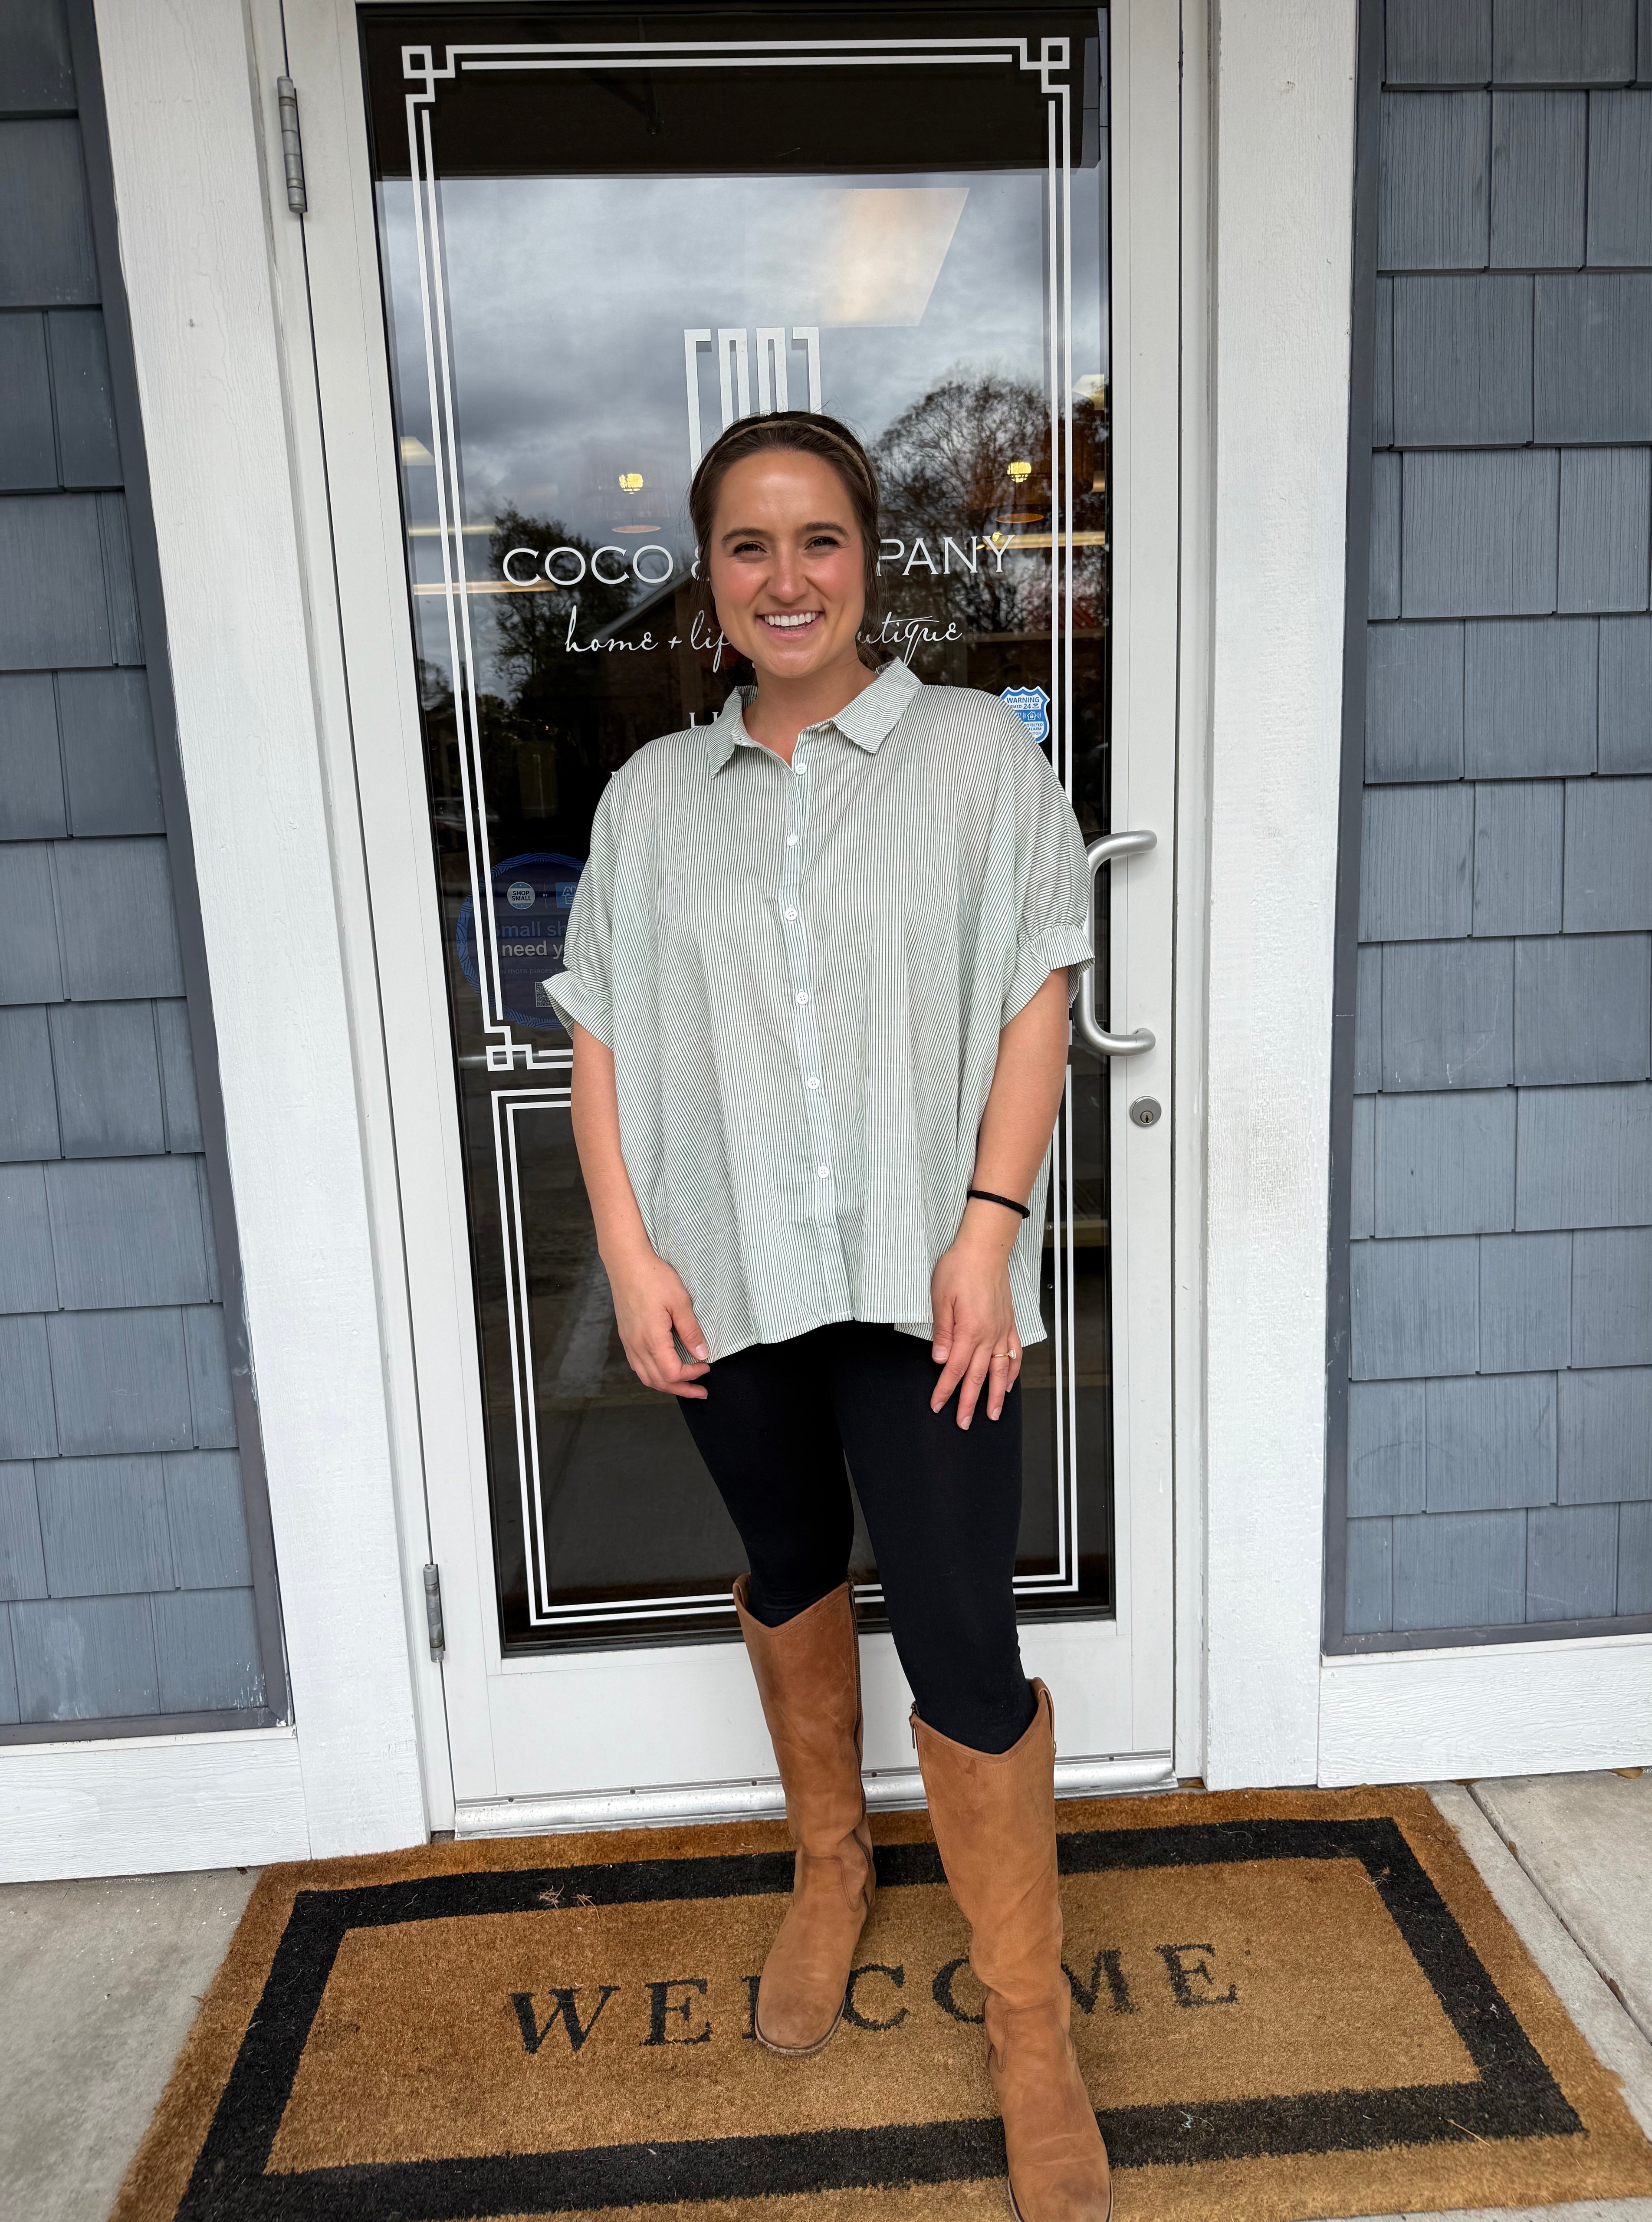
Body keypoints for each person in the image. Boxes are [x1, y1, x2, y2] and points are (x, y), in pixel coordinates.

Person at [547, 411, 1109, 2222]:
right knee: (789, 1560)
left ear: (874, 556)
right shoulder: (650, 799)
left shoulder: (966, 757)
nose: (785, 578)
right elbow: (605, 1040)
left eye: (818, 541)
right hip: (731, 1275)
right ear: (708, 576)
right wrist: (631, 1254)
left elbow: (1038, 988)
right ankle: (828, 1861)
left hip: (928, 1275)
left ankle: (1029, 2020)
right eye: (746, 547)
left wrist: (990, 1226)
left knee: (956, 1622)